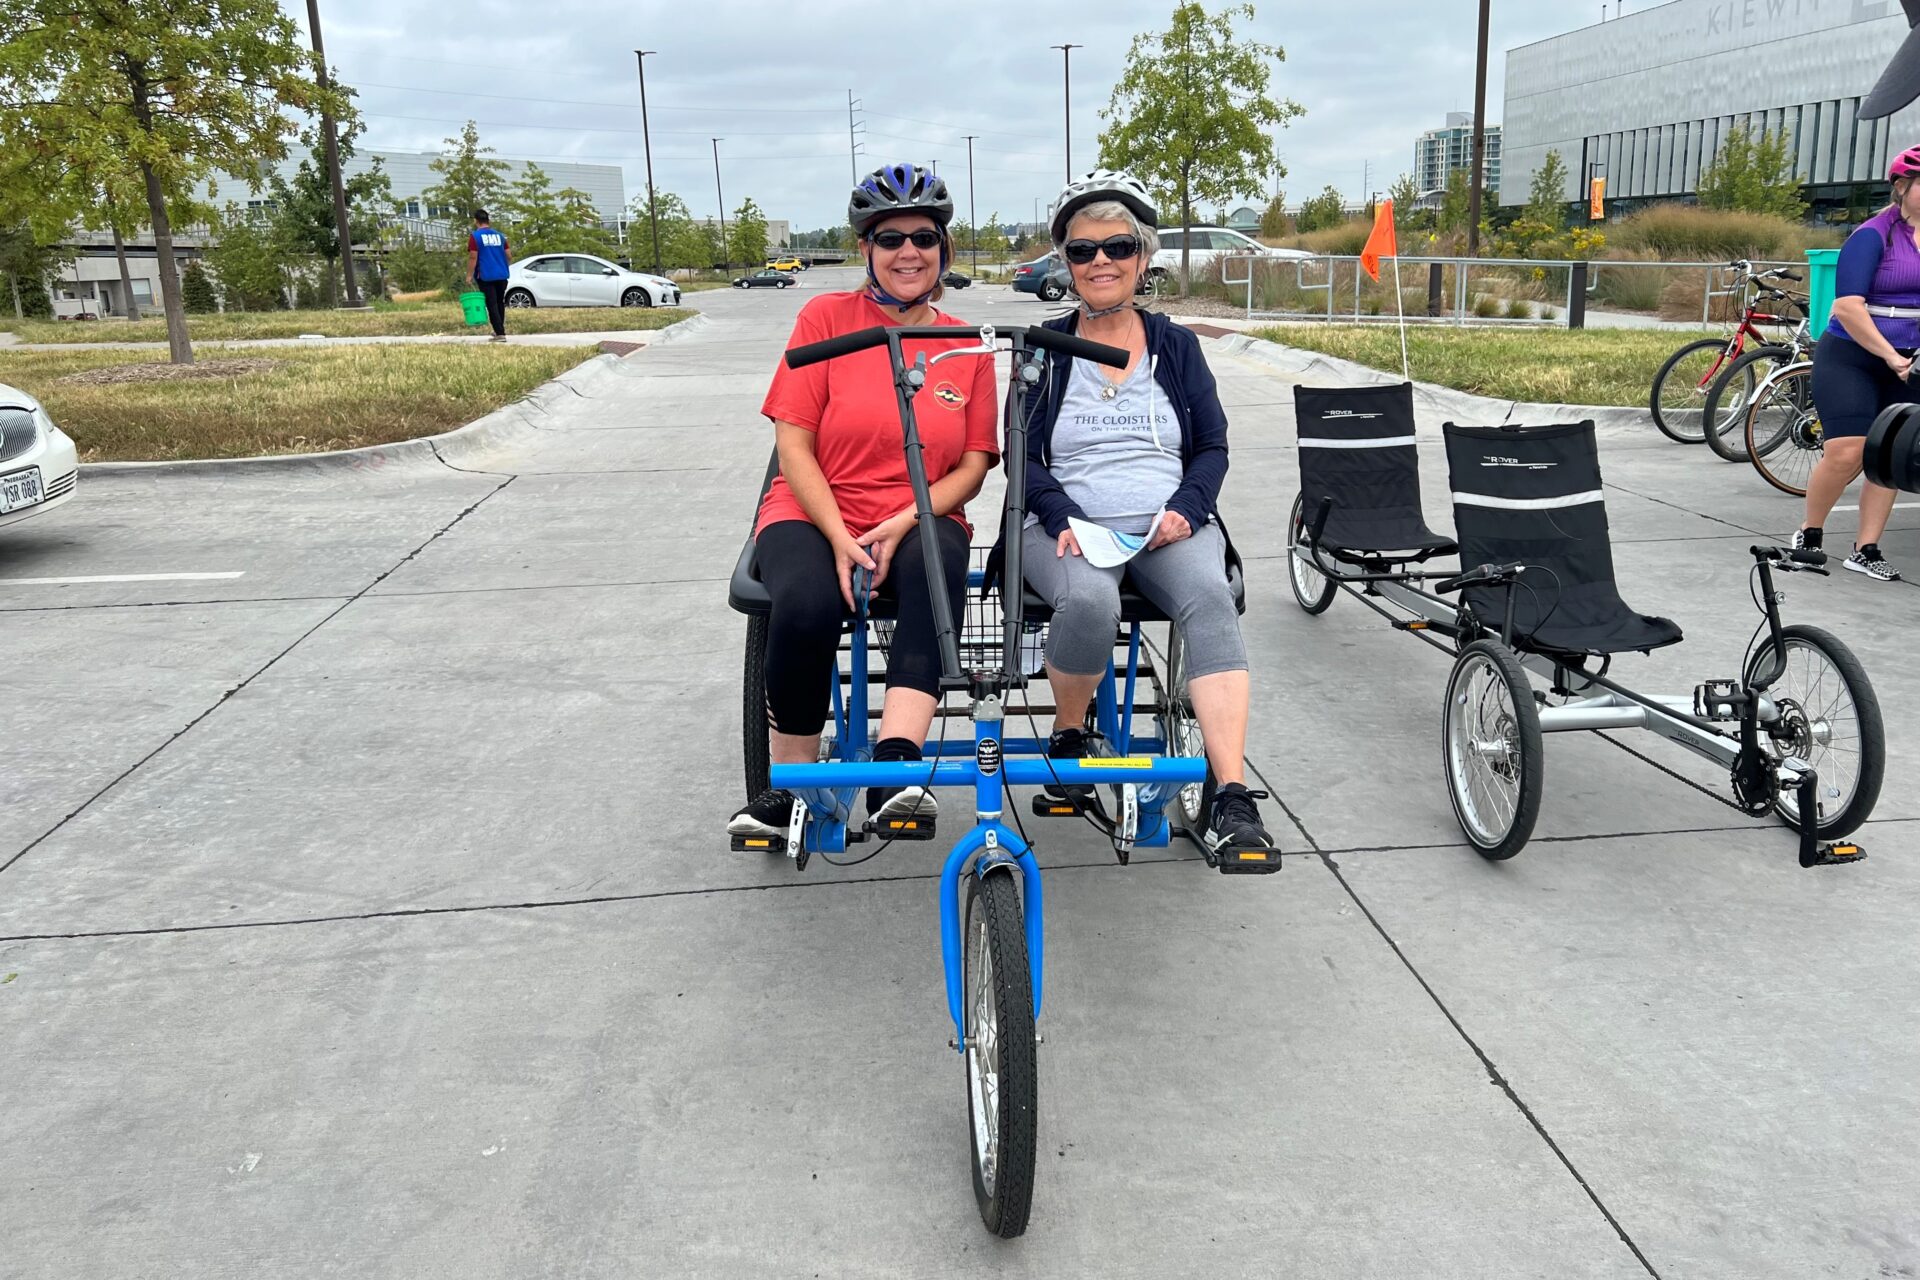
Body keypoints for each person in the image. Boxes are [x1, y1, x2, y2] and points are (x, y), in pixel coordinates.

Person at [730, 163, 1000, 840]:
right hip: (812, 507)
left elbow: (972, 468)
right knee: (806, 602)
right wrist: (841, 535)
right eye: (890, 238)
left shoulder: (966, 343)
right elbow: (794, 448)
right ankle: (787, 786)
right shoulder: (825, 318)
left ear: (944, 248)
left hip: (919, 513)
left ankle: (895, 770)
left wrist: (903, 519)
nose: (908, 251)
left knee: (935, 576)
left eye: (923, 237)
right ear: (867, 250)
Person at [1017, 169, 1273, 853]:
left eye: (1118, 247)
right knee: (1091, 605)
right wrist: (1064, 515)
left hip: (1167, 523)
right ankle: (1071, 737)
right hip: (1066, 525)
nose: (1100, 261)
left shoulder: (1176, 345)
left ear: (1143, 257)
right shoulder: (1041, 349)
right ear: (1064, 262)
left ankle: (1232, 796)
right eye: (1082, 250)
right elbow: (1024, 459)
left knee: (1211, 599)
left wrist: (1190, 508)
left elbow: (1212, 445)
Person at [1798, 145, 1920, 581]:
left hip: (1910, 361)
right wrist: (1890, 356)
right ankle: (1810, 534)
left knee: (1891, 455)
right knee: (1848, 451)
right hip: (1852, 354)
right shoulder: (1873, 235)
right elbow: (1848, 306)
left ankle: (1866, 548)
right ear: (1902, 188)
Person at [466, 210, 512, 343]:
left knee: (491, 304)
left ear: (476, 221)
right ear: (488, 221)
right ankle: (499, 329)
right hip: (502, 274)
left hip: (486, 275)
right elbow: (509, 255)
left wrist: (469, 275)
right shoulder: (500, 236)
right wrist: (503, 265)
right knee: (499, 303)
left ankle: (500, 333)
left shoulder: (475, 237)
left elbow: (473, 257)